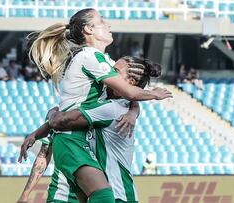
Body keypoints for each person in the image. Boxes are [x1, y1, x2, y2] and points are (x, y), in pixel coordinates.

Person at [23, 8, 172, 203]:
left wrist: (133, 112)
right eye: (101, 21)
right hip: (71, 138)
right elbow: (128, 92)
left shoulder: (104, 62)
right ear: (89, 30)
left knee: (98, 195)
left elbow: (126, 96)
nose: (108, 24)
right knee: (103, 195)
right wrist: (154, 94)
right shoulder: (90, 57)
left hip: (80, 137)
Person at [18, 56, 160, 203]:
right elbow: (46, 149)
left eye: (115, 71)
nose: (108, 73)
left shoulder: (109, 108)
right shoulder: (102, 103)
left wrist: (52, 114)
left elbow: (59, 121)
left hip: (116, 194)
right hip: (79, 193)